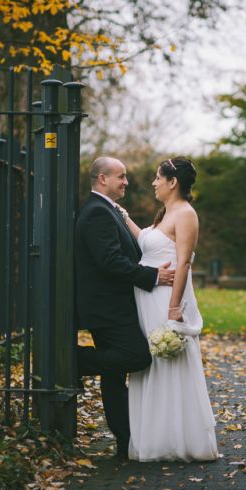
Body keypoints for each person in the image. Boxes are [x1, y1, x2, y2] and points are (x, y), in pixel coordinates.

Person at [75, 156, 175, 459]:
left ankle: (125, 439)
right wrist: (154, 276)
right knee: (137, 356)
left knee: (114, 375)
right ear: (102, 179)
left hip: (112, 306)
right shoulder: (96, 213)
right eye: (121, 176)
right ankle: (72, 362)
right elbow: (110, 262)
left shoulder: (107, 210)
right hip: (108, 309)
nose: (126, 182)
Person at [122, 156, 219, 462]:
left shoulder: (186, 214)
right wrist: (123, 217)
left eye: (157, 177)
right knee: (150, 365)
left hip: (166, 300)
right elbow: (149, 245)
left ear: (172, 182)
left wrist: (175, 307)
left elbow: (184, 263)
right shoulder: (166, 213)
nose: (154, 182)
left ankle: (175, 439)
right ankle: (152, 437)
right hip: (148, 298)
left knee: (168, 366)